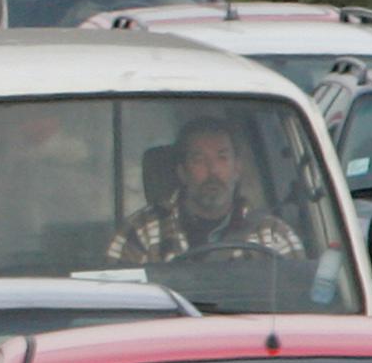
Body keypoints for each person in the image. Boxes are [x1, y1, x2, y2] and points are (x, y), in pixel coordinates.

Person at [108, 114, 311, 269]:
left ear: (237, 168)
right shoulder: (140, 234)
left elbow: (299, 311)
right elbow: (117, 310)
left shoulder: (274, 237)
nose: (213, 170)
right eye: (199, 160)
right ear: (182, 172)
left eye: (222, 158)